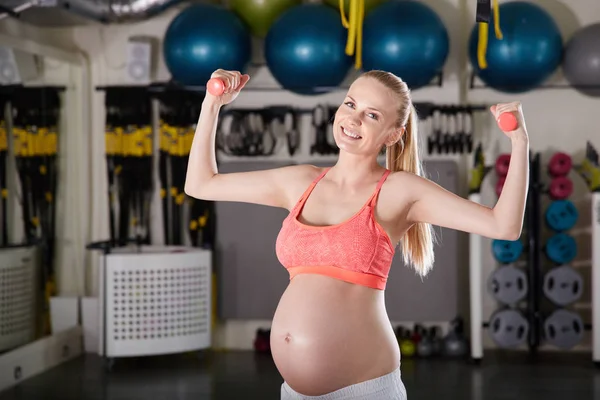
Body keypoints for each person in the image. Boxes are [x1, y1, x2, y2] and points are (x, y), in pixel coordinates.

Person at [185, 69, 529, 400]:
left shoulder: (399, 191)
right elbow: (201, 184)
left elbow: (504, 226)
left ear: (393, 134)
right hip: (293, 392)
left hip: (364, 390)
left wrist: (519, 141)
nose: (353, 119)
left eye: (372, 115)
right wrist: (211, 105)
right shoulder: (301, 182)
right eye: (350, 104)